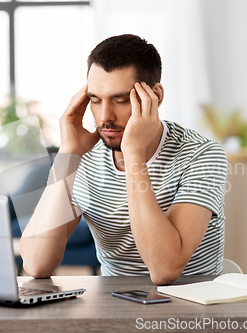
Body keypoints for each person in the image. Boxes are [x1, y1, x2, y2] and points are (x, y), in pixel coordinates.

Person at [20, 34, 227, 285]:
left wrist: (134, 155)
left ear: (155, 97)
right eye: (95, 100)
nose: (105, 116)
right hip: (113, 305)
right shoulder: (84, 156)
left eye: (120, 100)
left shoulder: (202, 154)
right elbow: (35, 264)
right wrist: (68, 154)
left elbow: (164, 270)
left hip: (191, 306)